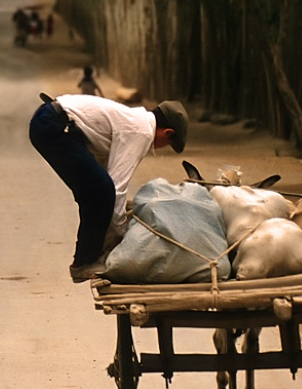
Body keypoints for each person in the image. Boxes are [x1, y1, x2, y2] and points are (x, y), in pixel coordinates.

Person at [29, 94, 189, 282]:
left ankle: (91, 256)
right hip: (53, 126)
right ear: (168, 133)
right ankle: (84, 262)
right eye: (168, 144)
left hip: (48, 121)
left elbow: (104, 168)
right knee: (101, 191)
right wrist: (123, 234)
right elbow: (117, 188)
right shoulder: (142, 131)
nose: (162, 147)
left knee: (97, 190)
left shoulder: (134, 121)